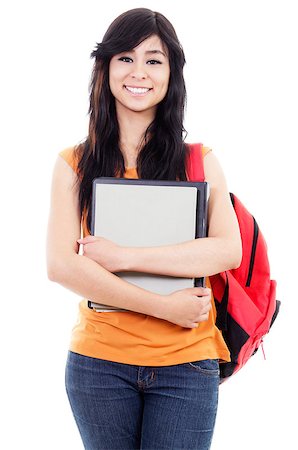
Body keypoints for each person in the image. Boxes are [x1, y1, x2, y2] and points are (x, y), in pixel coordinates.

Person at [47, 7, 242, 450]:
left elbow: (227, 251)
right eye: (126, 58)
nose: (139, 72)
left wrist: (124, 258)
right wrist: (163, 306)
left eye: (154, 59)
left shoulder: (199, 159)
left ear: (172, 72)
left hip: (186, 366)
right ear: (106, 67)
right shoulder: (73, 164)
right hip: (98, 363)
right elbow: (60, 265)